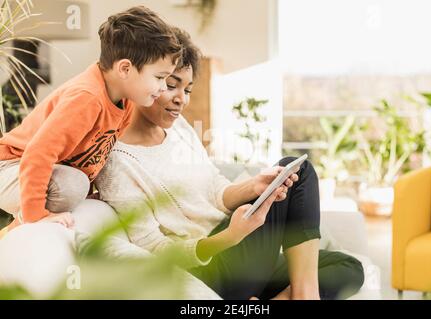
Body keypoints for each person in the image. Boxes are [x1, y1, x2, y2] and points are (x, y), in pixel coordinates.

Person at [95, 28, 365, 300]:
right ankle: (306, 296)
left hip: (241, 255)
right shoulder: (116, 159)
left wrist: (255, 186)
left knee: (347, 267)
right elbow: (153, 247)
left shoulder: (178, 128)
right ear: (146, 80)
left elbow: (214, 188)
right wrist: (231, 237)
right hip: (210, 267)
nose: (181, 99)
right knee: (298, 167)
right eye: (171, 84)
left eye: (187, 89)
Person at [0, 6, 182, 238]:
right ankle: (16, 228)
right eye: (159, 77)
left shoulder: (125, 103)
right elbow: (38, 153)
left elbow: (94, 154)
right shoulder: (87, 98)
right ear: (125, 68)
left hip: (33, 169)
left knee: (78, 185)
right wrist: (37, 216)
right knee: (71, 186)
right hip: (11, 165)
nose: (163, 87)